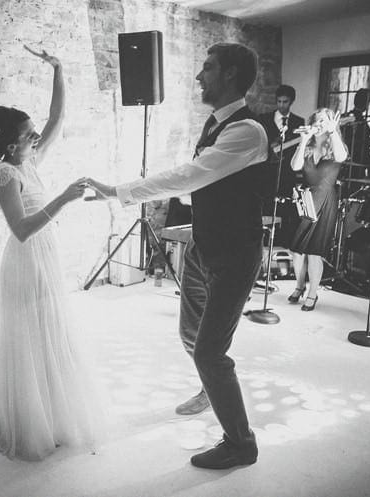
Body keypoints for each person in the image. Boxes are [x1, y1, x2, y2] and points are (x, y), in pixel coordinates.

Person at [87, 43, 271, 470]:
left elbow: (191, 176)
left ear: (229, 75)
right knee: (190, 335)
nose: (199, 75)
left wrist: (119, 191)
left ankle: (241, 443)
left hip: (235, 256)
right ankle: (213, 389)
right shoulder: (215, 123)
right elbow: (203, 186)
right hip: (202, 247)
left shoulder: (248, 130)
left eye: (207, 67)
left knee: (209, 351)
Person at [0, 45, 103, 461]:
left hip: (46, 256)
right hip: (25, 259)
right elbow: (20, 231)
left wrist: (58, 69)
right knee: (29, 338)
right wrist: (65, 199)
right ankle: (27, 420)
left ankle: (50, 414)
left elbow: (57, 119)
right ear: (11, 143)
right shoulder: (5, 174)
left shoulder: (30, 159)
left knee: (51, 330)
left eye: (34, 132)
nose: (37, 136)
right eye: (28, 134)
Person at [286, 108, 348, 311]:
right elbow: (295, 167)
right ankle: (299, 286)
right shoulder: (308, 146)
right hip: (306, 199)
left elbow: (341, 156)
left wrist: (333, 132)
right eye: (317, 120)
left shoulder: (335, 144)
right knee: (296, 251)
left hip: (325, 201)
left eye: (325, 120)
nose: (320, 123)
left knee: (314, 253)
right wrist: (304, 140)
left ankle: (312, 294)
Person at [258, 85, 305, 248]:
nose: (281, 105)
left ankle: (281, 247)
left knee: (285, 213)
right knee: (265, 211)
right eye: (279, 101)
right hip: (266, 176)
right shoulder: (263, 119)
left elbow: (299, 149)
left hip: (287, 175)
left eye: (285, 102)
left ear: (291, 101)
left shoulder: (299, 122)